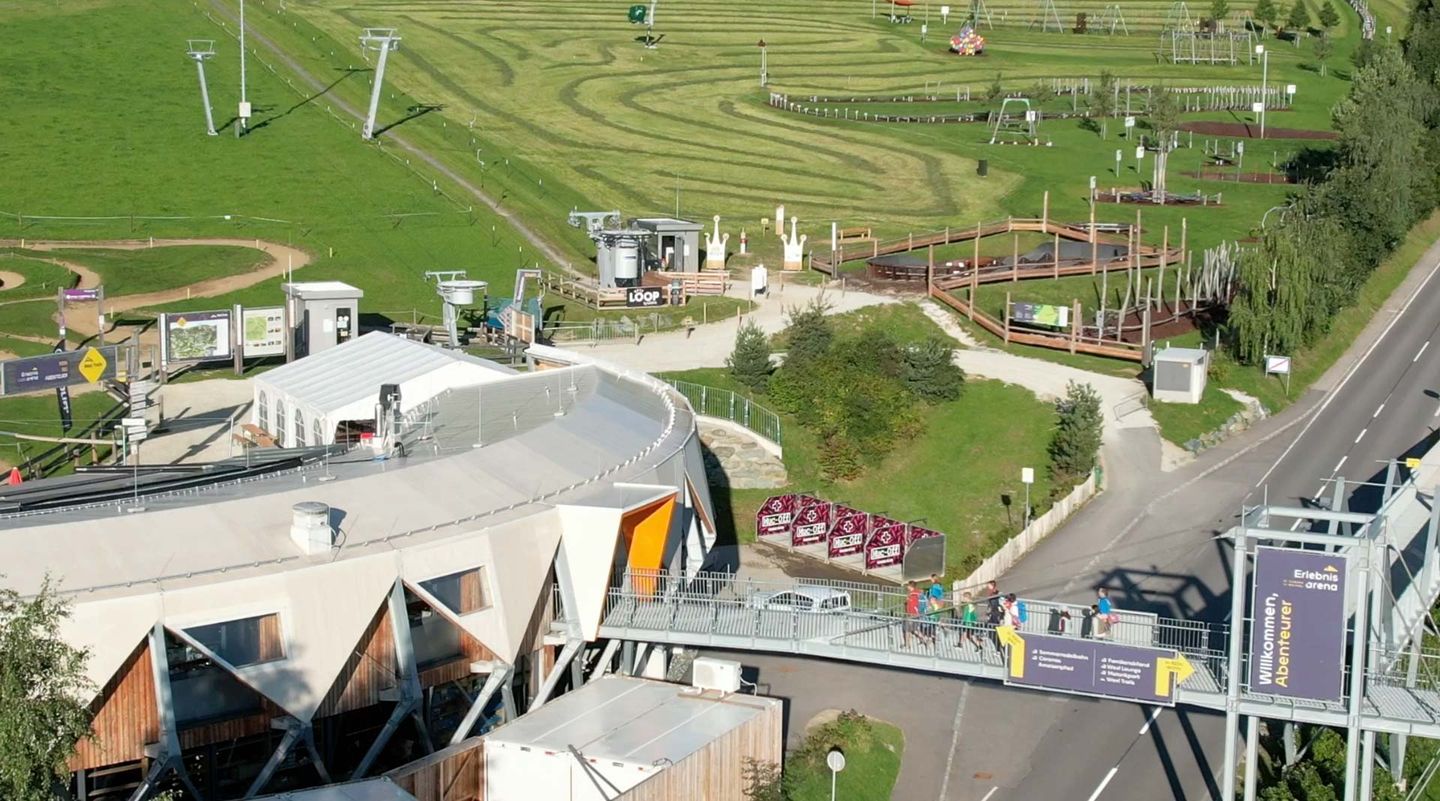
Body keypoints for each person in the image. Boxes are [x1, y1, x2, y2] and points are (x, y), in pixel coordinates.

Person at [903, 582, 922, 647]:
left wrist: (907, 600)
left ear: (910, 586)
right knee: (915, 629)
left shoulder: (912, 595)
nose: (907, 587)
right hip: (916, 613)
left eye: (908, 585)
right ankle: (924, 640)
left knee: (907, 629)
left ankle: (907, 644)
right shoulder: (918, 592)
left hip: (911, 613)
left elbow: (912, 605)